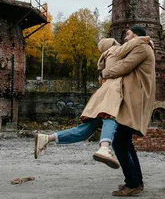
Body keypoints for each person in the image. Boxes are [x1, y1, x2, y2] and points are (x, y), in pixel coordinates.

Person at [33, 36, 151, 169]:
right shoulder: (115, 51)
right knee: (110, 116)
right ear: (112, 43)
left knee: (84, 131)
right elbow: (123, 63)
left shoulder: (106, 55)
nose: (122, 41)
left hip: (102, 94)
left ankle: (47, 138)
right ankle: (104, 148)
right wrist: (145, 38)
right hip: (112, 93)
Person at [101, 26, 156, 197]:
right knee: (125, 141)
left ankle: (132, 182)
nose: (125, 38)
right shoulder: (142, 47)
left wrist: (103, 73)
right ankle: (135, 181)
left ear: (137, 35)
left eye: (128, 34)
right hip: (134, 98)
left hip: (134, 99)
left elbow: (123, 66)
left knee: (118, 140)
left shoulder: (140, 47)